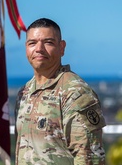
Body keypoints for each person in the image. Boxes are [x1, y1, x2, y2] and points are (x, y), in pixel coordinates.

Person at [15, 18, 106, 164]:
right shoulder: (24, 92)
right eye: (32, 43)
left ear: (61, 47)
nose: (39, 48)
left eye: (48, 42)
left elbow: (89, 157)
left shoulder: (75, 93)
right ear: (26, 47)